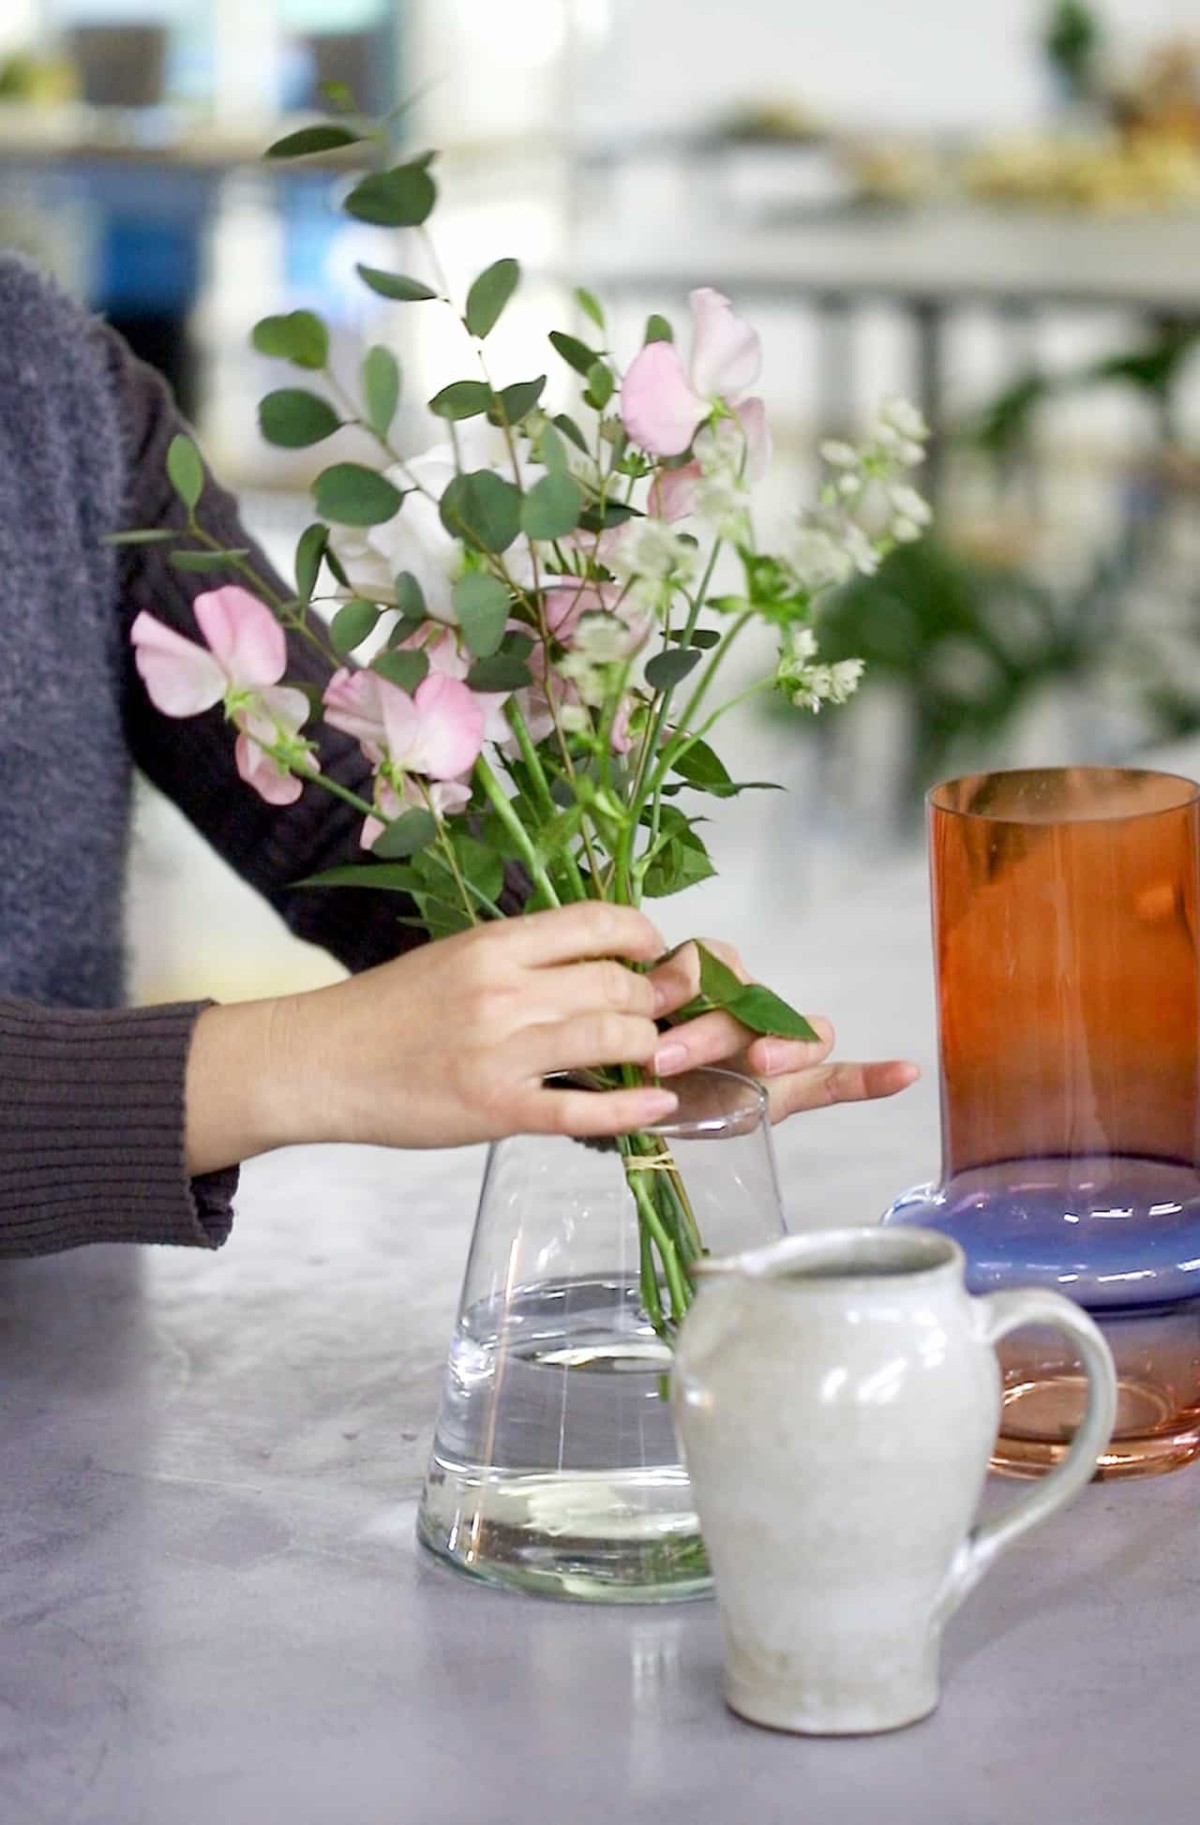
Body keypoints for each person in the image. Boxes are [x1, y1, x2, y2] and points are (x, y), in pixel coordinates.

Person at [0, 252, 917, 1258]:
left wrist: (604, 1016)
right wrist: (315, 1055)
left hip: (65, 1327)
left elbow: (328, 792)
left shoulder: (42, 377)